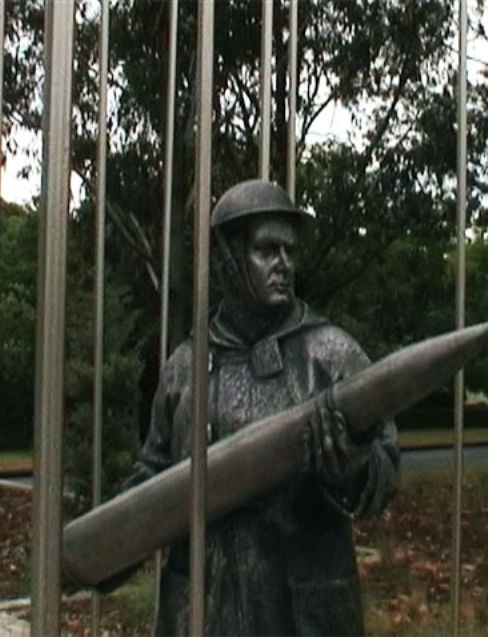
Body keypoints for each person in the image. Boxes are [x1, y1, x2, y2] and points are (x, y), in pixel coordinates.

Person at [122, 179, 399, 636]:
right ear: (229, 257)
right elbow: (154, 472)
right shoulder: (184, 367)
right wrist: (107, 537)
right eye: (267, 250)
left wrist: (351, 469)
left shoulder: (331, 355)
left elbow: (386, 467)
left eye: (290, 252)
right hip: (203, 611)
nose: (284, 265)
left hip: (303, 612)